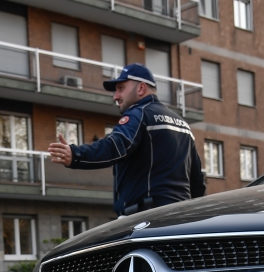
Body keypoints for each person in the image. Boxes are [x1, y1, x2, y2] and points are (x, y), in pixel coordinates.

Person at [48, 63, 205, 216]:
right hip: (181, 218)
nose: (115, 96)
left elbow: (116, 146)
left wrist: (76, 155)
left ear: (141, 88)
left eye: (121, 88)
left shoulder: (139, 114)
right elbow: (197, 181)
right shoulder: (184, 126)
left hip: (146, 218)